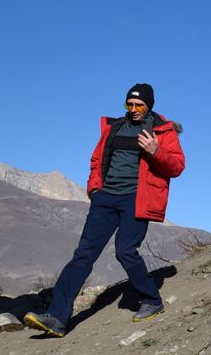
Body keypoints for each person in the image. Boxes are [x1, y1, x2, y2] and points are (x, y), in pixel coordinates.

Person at [23, 83, 185, 337]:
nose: (133, 110)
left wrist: (155, 151)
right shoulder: (115, 127)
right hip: (106, 198)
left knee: (125, 250)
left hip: (136, 198)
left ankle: (152, 299)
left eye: (138, 105)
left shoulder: (162, 131)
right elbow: (97, 160)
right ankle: (57, 316)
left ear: (149, 105)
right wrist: (95, 190)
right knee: (84, 254)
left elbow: (176, 166)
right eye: (129, 105)